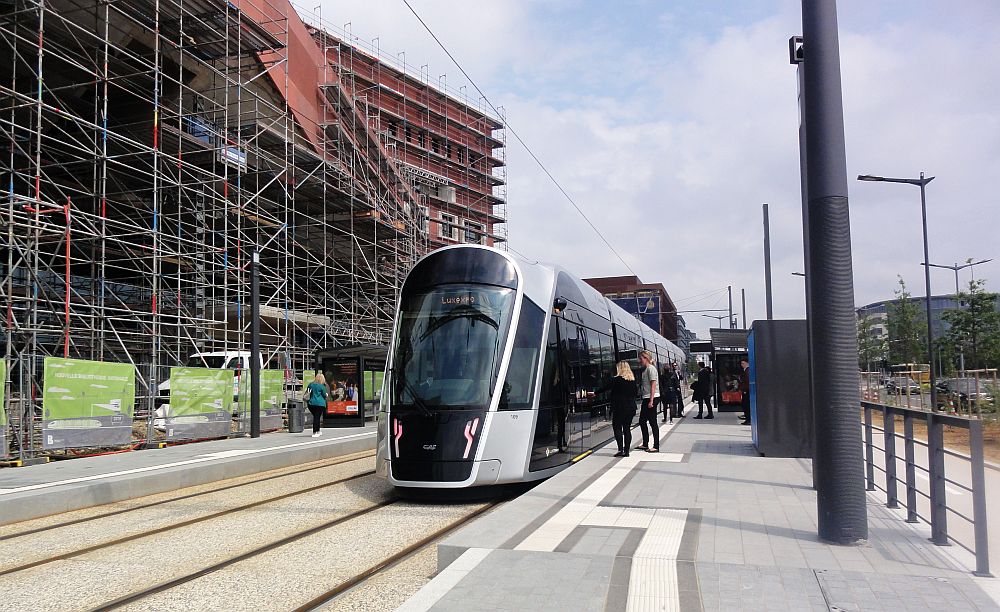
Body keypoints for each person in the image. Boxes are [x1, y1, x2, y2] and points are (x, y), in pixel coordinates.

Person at [600, 361, 639, 457]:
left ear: (619, 369)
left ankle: (620, 449)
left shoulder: (616, 380)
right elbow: (636, 394)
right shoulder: (632, 381)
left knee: (617, 427)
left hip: (619, 407)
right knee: (627, 429)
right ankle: (627, 451)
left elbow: (605, 388)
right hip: (630, 408)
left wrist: (594, 393)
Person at [635, 350, 660, 452]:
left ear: (645, 358)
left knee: (653, 422)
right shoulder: (645, 370)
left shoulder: (651, 369)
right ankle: (645, 443)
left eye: (640, 358)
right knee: (642, 421)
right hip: (647, 397)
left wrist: (651, 400)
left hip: (651, 397)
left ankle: (656, 446)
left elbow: (653, 385)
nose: (639, 360)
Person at [304, 372, 329, 437]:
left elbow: (307, 392)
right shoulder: (322, 386)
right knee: (317, 417)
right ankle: (315, 432)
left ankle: (318, 430)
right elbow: (324, 395)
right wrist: (326, 395)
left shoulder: (311, 384)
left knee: (316, 417)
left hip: (311, 404)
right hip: (320, 404)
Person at [739, 358, 751, 425]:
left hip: (746, 391)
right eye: (741, 363)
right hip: (746, 390)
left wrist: (745, 389)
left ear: (747, 363)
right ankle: (747, 418)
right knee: (745, 405)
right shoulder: (746, 370)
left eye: (743, 363)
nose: (742, 365)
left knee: (746, 405)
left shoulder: (747, 370)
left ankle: (748, 419)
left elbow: (747, 381)